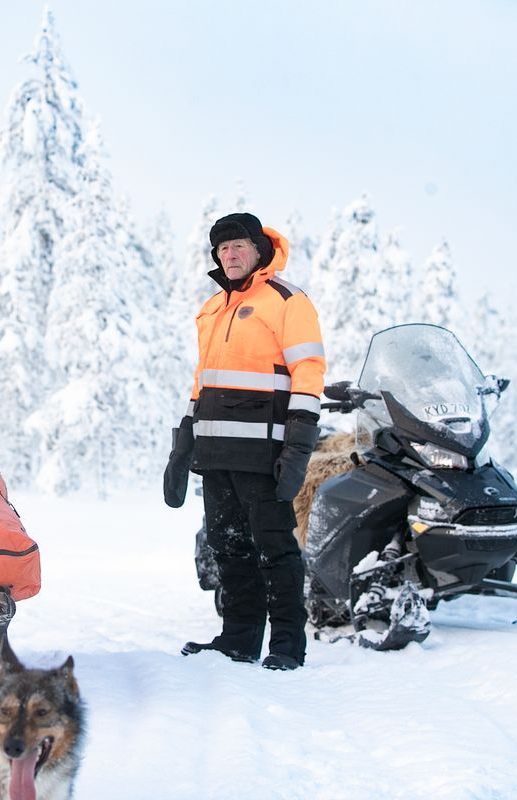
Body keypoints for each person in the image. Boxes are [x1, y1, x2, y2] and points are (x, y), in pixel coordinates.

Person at [165, 212, 326, 671]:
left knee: (274, 547)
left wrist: (298, 445)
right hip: (216, 453)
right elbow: (203, 381)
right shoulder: (212, 310)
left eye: (239, 246)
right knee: (228, 546)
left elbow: (308, 371)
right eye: (223, 248)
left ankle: (288, 645)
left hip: (264, 452)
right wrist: (183, 445)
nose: (230, 255)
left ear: (259, 250)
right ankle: (238, 639)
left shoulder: (286, 300)